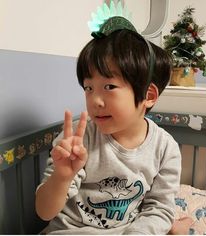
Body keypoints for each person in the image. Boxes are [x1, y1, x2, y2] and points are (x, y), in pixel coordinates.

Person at [35, 1, 183, 234]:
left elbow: (159, 208)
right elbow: (45, 212)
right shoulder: (77, 138)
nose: (95, 100)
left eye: (109, 86)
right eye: (88, 88)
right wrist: (62, 177)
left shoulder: (165, 148)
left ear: (148, 95)